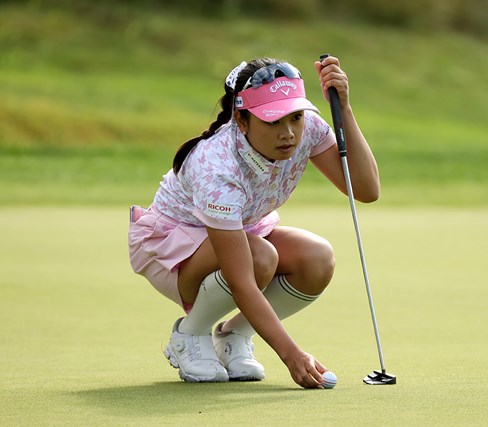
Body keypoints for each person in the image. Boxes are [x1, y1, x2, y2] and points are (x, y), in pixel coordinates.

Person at [128, 55, 379, 388]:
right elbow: (242, 278)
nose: (288, 133)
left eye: (295, 117)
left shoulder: (309, 129)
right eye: (272, 121)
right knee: (260, 257)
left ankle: (233, 336)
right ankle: (190, 334)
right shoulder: (216, 165)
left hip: (241, 235)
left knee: (317, 257)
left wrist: (343, 108)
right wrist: (293, 355)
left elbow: (365, 189)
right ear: (242, 120)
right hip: (173, 254)